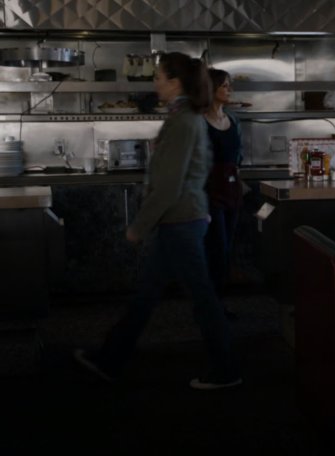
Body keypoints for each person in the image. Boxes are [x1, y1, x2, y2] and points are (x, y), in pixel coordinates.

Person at [74, 52, 240, 390]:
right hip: (182, 219)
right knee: (147, 296)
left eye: (159, 77)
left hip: (180, 220)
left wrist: (139, 226)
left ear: (175, 82)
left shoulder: (182, 120)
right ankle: (109, 359)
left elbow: (168, 185)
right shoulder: (186, 117)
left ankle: (225, 370)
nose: (156, 83)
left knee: (202, 299)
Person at [203, 68, 244, 317]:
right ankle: (213, 306)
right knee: (215, 249)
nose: (229, 89)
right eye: (224, 85)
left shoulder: (233, 119)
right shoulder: (200, 121)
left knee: (226, 248)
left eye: (230, 85)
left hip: (232, 189)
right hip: (209, 191)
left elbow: (238, 155)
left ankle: (216, 303)